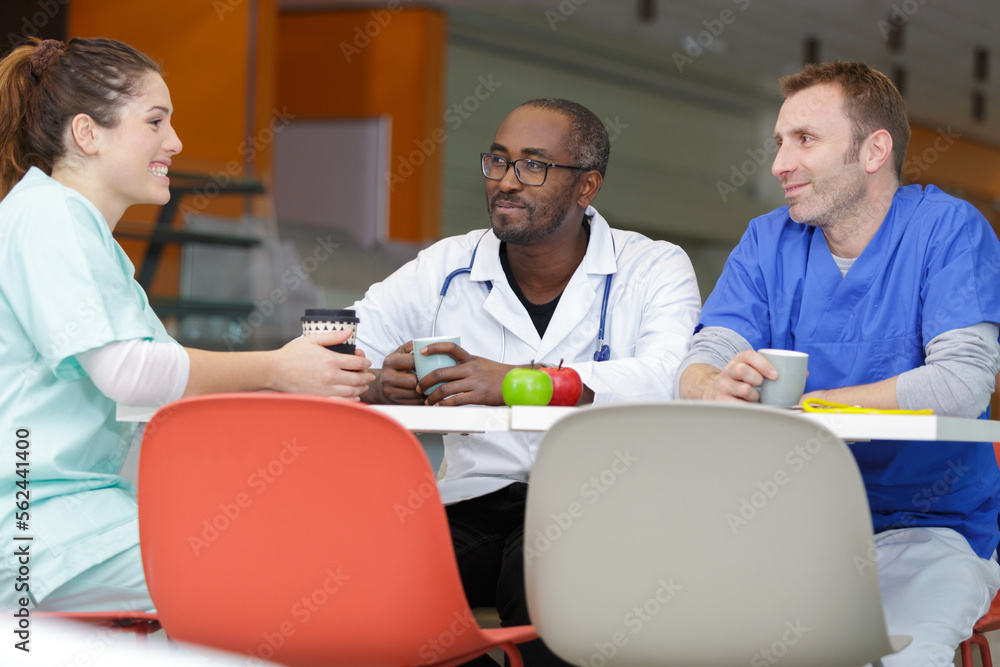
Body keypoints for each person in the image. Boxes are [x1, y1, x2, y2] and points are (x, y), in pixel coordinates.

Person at [0, 38, 374, 613]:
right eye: (155, 122)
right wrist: (277, 368)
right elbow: (129, 374)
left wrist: (298, 379)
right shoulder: (51, 216)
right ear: (87, 134)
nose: (175, 142)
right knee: (280, 578)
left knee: (281, 554)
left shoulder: (73, 229)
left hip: (69, 517)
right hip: (35, 529)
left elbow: (158, 383)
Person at [353, 98, 701, 665]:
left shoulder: (652, 266)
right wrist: (376, 384)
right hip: (475, 498)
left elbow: (670, 376)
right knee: (372, 585)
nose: (507, 181)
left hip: (600, 501)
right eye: (498, 161)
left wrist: (520, 383)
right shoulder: (446, 266)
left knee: (542, 587)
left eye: (533, 165)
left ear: (587, 186)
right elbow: (342, 347)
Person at [678, 61, 1000, 666]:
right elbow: (704, 356)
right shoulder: (767, 240)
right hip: (790, 523)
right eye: (779, 142)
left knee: (901, 657)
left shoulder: (947, 230)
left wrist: (810, 408)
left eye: (804, 139)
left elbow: (962, 383)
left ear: (874, 150)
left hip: (927, 527)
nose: (779, 164)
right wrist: (711, 385)